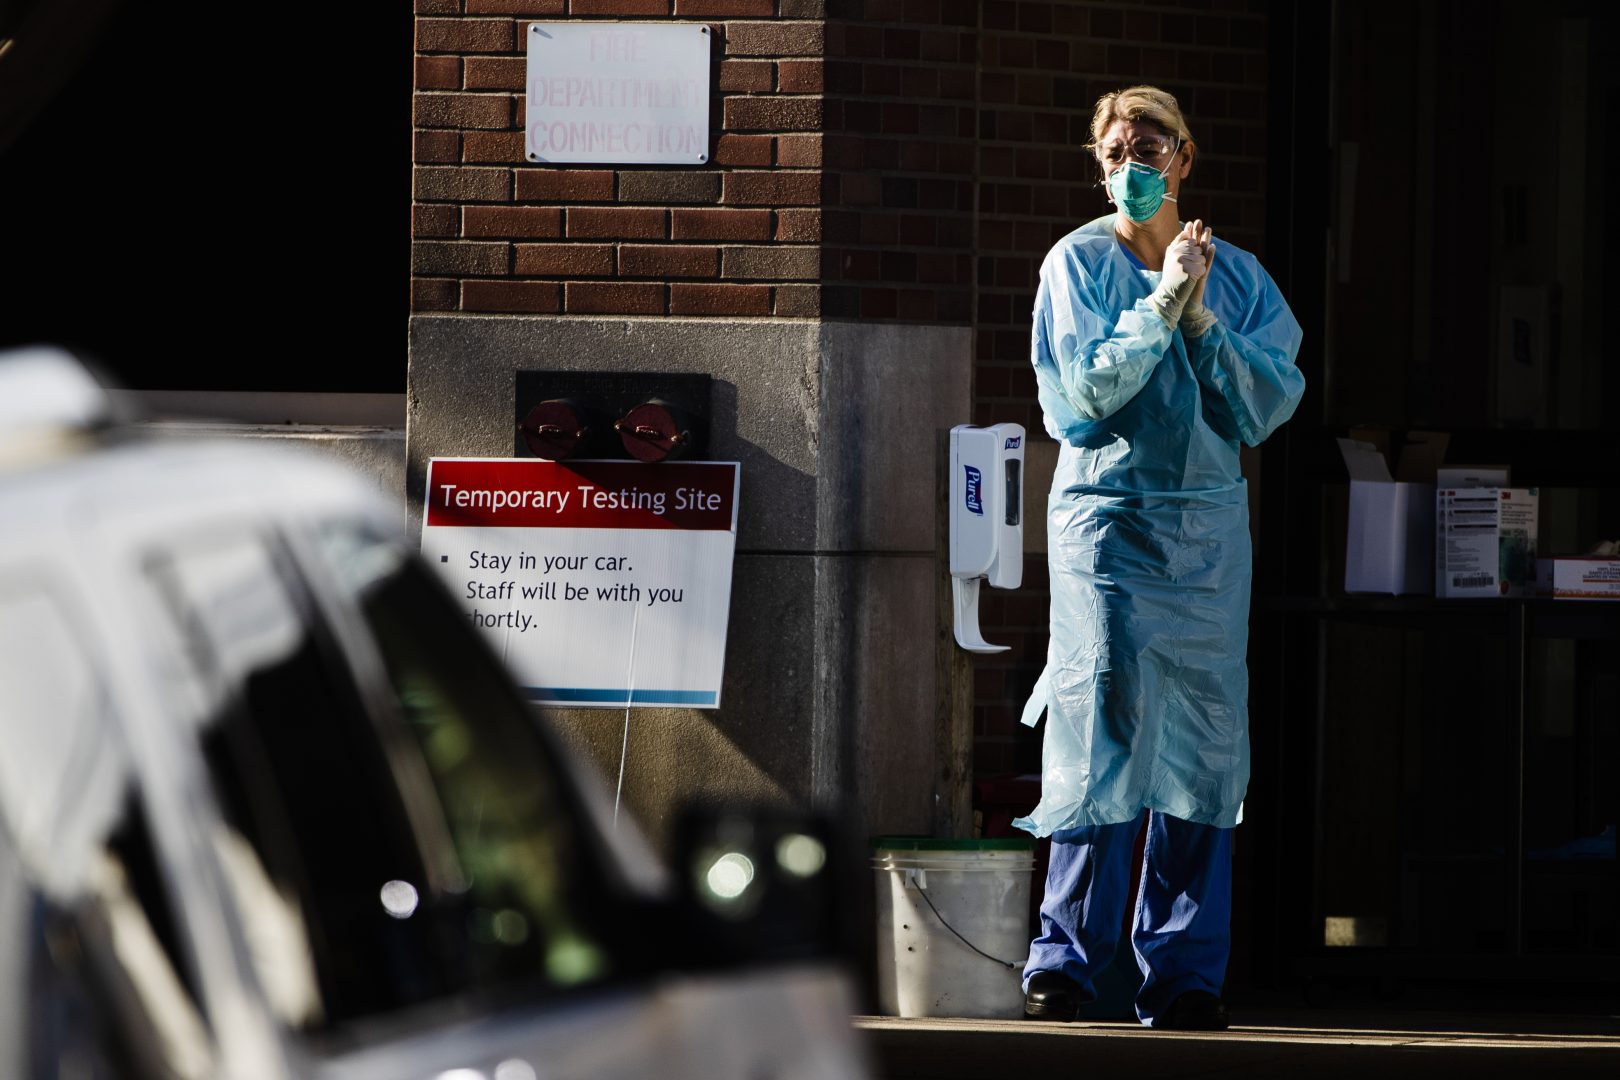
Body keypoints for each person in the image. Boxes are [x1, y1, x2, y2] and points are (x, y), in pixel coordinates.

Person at [1013, 85, 1305, 1030]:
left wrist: (1202, 316)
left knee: (1202, 746)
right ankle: (1067, 961)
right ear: (1096, 166)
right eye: (1114, 151)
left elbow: (1263, 406)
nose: (1131, 165)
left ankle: (1183, 973)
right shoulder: (1079, 264)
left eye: (1150, 147)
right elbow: (1080, 398)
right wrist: (1162, 302)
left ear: (1186, 156)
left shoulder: (1243, 277)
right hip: (1109, 528)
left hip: (1207, 540)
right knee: (1103, 726)